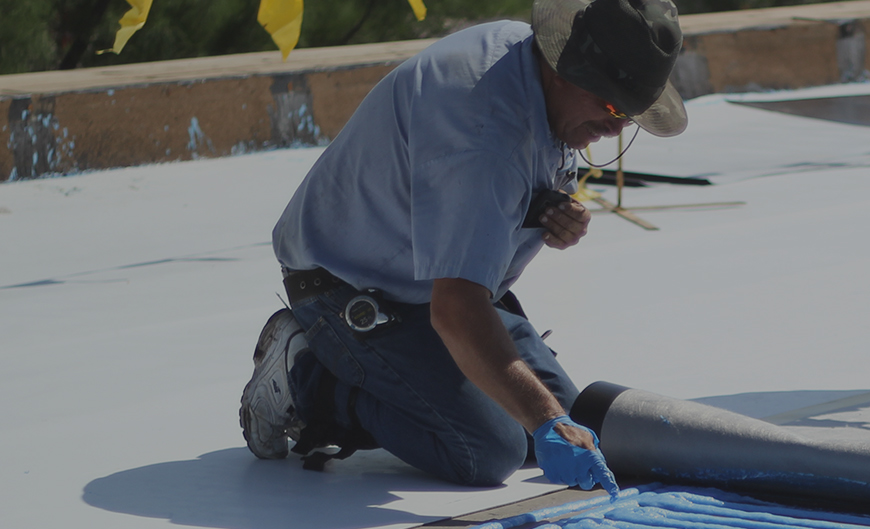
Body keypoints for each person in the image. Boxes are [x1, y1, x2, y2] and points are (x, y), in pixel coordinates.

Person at [239, 0, 692, 495]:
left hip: (425, 283)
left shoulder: (524, 59)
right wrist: (542, 419)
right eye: (610, 106)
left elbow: (501, 183)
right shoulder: (482, 135)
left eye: (629, 113)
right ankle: (307, 378)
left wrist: (544, 208)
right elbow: (456, 309)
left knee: (567, 420)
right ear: (567, 70)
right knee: (489, 449)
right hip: (348, 286)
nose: (616, 127)